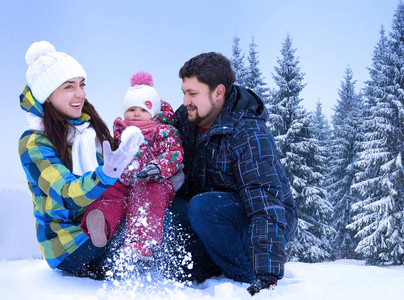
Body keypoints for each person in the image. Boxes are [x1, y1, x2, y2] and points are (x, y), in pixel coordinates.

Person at [172, 52, 298, 295]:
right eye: (184, 92)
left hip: (260, 218)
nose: (186, 100)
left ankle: (245, 274)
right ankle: (207, 267)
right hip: (213, 221)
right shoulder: (186, 120)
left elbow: (265, 202)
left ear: (218, 92)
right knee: (171, 205)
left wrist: (266, 274)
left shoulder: (247, 132)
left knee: (204, 206)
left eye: (193, 93)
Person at [18, 41, 144, 279]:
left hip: (104, 219)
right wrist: (107, 174)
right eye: (68, 87)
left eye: (81, 84)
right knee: (151, 227)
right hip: (70, 243)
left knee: (163, 211)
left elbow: (121, 175)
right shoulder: (34, 142)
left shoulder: (88, 128)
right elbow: (66, 193)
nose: (80, 94)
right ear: (48, 94)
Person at [81, 71, 183, 261]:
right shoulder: (120, 132)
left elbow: (174, 154)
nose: (136, 113)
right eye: (131, 109)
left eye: (143, 110)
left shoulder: (163, 131)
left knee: (147, 197)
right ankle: (100, 224)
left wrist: (157, 167)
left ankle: (140, 244)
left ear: (153, 113)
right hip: (125, 180)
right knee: (109, 193)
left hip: (152, 180)